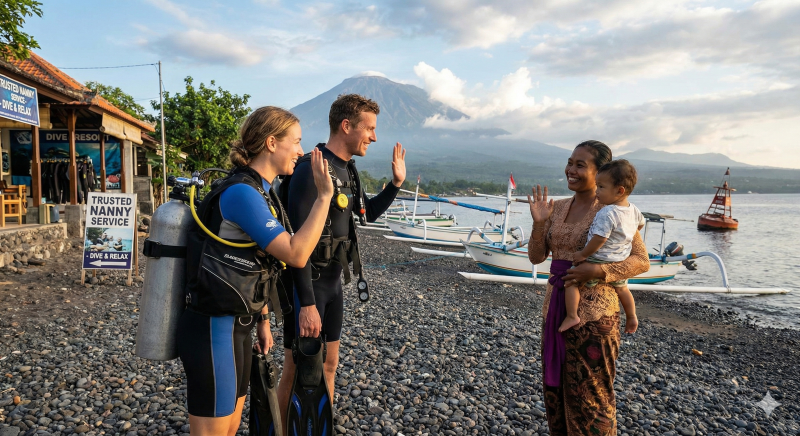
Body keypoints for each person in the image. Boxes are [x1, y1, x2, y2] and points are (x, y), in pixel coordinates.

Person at [176, 106, 334, 436]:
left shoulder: (262, 191)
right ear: (272, 142)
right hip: (212, 327)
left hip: (237, 327)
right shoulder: (242, 193)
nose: (301, 152)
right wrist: (323, 197)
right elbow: (295, 254)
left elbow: (255, 262)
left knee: (230, 427)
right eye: (297, 142)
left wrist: (262, 320)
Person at [279, 94, 406, 425]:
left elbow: (367, 214)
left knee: (329, 365)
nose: (374, 137)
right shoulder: (312, 169)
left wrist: (395, 185)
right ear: (347, 126)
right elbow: (296, 245)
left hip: (334, 285)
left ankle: (320, 429)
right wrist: (306, 304)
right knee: (295, 368)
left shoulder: (347, 169)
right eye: (370, 129)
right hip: (308, 287)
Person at [527, 140, 650, 435]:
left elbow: (641, 261)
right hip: (555, 309)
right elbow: (536, 257)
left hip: (596, 317)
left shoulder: (612, 210)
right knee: (555, 396)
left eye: (580, 165)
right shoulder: (557, 207)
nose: (571, 170)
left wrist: (599, 270)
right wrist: (539, 224)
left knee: (592, 399)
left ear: (600, 172)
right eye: (570, 162)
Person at [559, 159, 642, 334]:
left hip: (598, 258)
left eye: (601, 187)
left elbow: (599, 239)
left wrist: (583, 254)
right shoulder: (633, 209)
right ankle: (632, 315)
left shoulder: (607, 212)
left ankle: (572, 315)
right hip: (620, 258)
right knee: (623, 288)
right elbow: (640, 225)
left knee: (571, 282)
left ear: (620, 191)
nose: (598, 192)